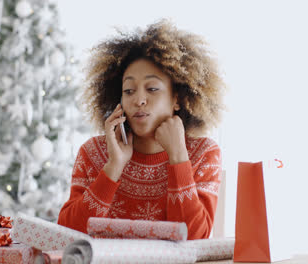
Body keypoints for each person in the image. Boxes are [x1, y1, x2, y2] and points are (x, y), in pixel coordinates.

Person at [57, 19, 226, 240]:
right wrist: (113, 167)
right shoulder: (92, 153)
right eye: (129, 90)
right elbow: (67, 236)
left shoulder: (203, 153)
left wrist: (178, 157)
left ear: (177, 98)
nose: (139, 100)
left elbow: (193, 240)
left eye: (152, 88)